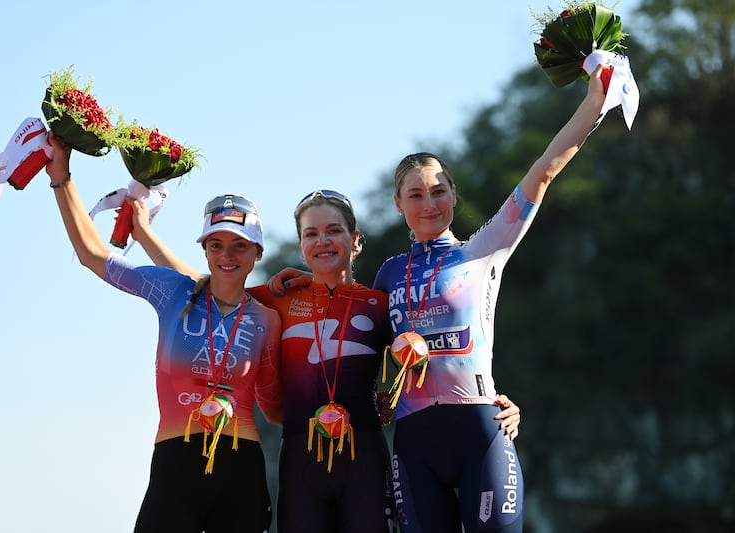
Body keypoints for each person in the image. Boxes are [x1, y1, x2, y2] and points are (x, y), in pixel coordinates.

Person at [275, 65, 609, 532]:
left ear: (454, 195)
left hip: (481, 431)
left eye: (438, 191)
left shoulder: (483, 251)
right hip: (413, 443)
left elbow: (544, 171)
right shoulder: (388, 275)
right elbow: (352, 322)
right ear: (398, 204)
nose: (428, 203)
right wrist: (303, 279)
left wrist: (593, 103)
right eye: (416, 195)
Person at [136, 189, 522, 533]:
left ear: (355, 241)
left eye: (334, 231)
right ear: (301, 245)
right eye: (311, 234)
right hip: (301, 462)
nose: (323, 241)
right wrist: (144, 234)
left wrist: (497, 397)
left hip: (365, 461)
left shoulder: (379, 303)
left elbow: (436, 349)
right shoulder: (277, 299)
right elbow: (200, 283)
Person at [43, 132, 283, 533]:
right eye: (216, 244)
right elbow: (91, 254)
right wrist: (61, 176)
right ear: (204, 248)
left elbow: (276, 409)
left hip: (241, 472)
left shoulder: (268, 319)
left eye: (240, 246)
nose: (227, 255)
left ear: (257, 252)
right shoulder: (173, 291)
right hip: (175, 467)